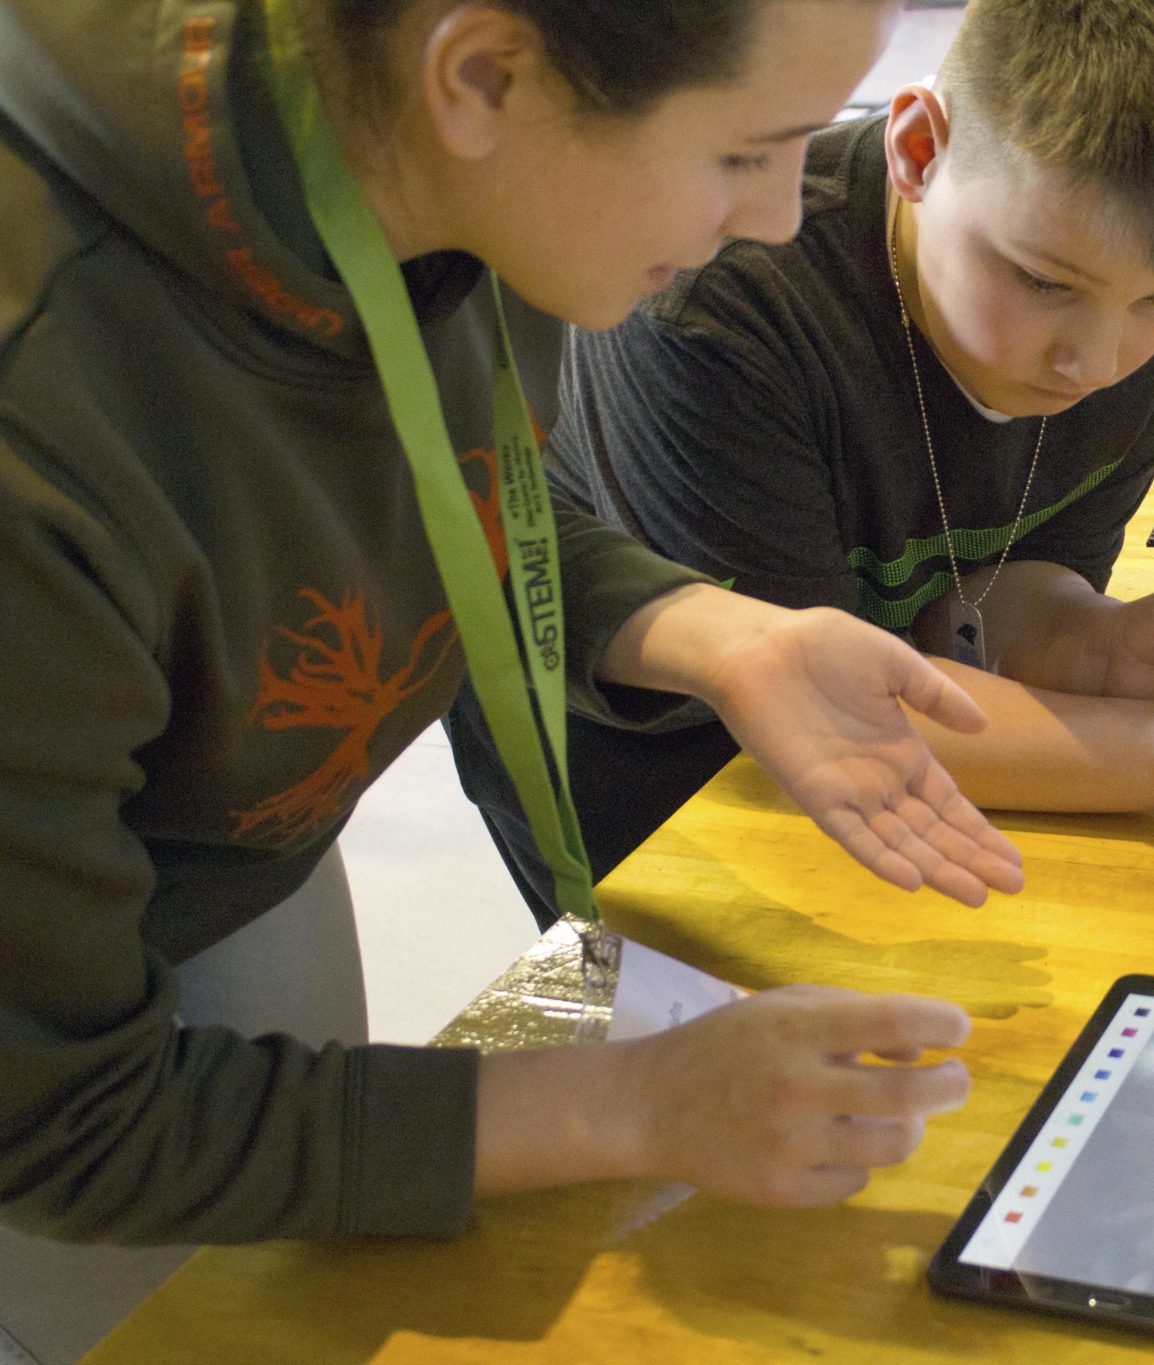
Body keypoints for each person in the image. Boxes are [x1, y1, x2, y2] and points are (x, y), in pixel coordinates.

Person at [0, 0, 1027, 1355]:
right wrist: (638, 1105)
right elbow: (64, 1124)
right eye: (742, 153)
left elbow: (435, 488)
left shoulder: (429, 164)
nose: (779, 218)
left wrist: (714, 635)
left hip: (227, 834)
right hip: (74, 1023)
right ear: (485, 76)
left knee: (302, 1283)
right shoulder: (42, 422)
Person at [450, 0, 1154, 925]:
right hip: (635, 751)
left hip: (903, 741)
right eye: (1044, 281)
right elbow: (817, 705)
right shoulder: (719, 303)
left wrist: (1098, 647)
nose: (1093, 363)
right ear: (919, 151)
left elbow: (986, 594)